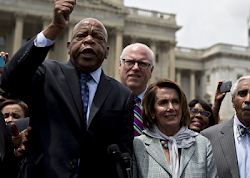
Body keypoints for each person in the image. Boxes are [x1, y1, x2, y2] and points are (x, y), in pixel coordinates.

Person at [0, 0, 134, 177]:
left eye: (97, 37)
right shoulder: (46, 73)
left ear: (107, 51)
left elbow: (123, 156)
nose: (89, 40)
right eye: (81, 36)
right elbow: (11, 81)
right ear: (69, 47)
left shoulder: (122, 95)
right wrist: (54, 27)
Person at [133, 79, 218, 178]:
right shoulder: (138, 145)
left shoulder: (202, 144)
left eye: (175, 102)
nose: (171, 107)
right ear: (152, 110)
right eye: (163, 102)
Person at [119, 43, 154, 136]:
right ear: (120, 66)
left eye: (142, 64)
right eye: (129, 62)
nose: (135, 68)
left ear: (151, 71)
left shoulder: (160, 106)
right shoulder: (103, 101)